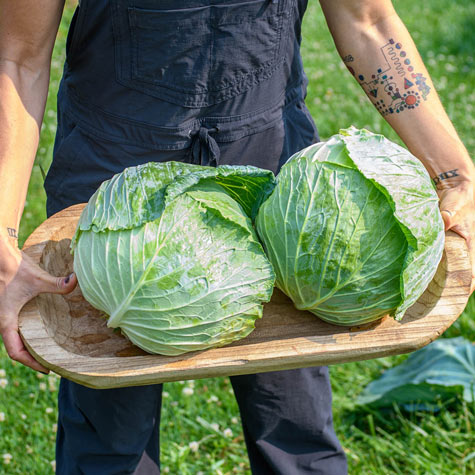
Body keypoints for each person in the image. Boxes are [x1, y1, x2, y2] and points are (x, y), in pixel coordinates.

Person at [0, 0, 473, 473]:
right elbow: (17, 55)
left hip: (271, 165)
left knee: (294, 418)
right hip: (117, 179)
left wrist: (455, 175)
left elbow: (366, 19)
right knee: (110, 433)